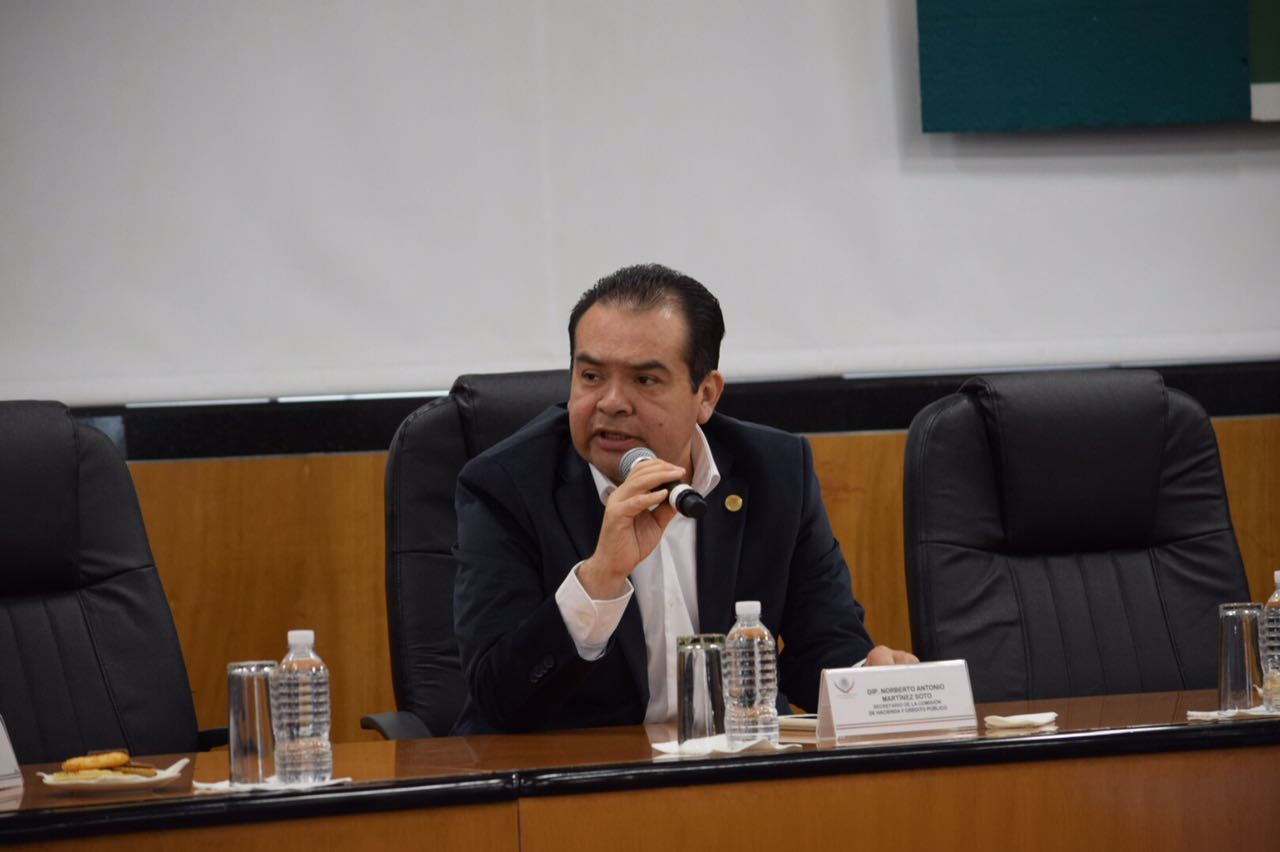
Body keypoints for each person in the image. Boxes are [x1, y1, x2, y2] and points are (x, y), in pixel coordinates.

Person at [451, 263, 915, 734]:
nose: (611, 402)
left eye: (645, 380)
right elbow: (498, 699)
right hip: (580, 769)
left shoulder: (775, 472)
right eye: (591, 376)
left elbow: (823, 642)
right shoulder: (506, 486)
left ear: (706, 395)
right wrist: (598, 579)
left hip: (737, 763)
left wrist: (868, 679)